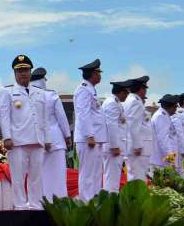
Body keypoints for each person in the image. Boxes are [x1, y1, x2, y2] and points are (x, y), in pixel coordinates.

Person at [0, 55, 49, 210]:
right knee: (18, 177)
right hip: (18, 141)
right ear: (14, 73)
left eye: (26, 70)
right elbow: (4, 116)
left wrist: (46, 138)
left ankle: (35, 204)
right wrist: (6, 137)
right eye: (19, 70)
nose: (23, 73)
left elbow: (44, 118)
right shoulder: (7, 92)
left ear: (30, 72)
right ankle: (20, 205)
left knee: (36, 176)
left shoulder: (39, 92)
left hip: (37, 139)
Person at [31, 67, 71, 200]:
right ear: (43, 80)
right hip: (56, 140)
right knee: (58, 175)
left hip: (35, 140)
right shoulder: (51, 95)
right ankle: (59, 201)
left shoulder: (27, 95)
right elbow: (62, 118)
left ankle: (41, 202)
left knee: (39, 175)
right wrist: (67, 136)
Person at [73, 58, 106, 202]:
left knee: (96, 173)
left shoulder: (91, 89)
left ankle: (95, 200)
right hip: (88, 139)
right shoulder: (83, 90)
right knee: (87, 174)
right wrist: (90, 135)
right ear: (93, 74)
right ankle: (86, 202)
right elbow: (83, 113)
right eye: (98, 73)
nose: (100, 75)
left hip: (95, 138)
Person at [101, 80, 131, 192]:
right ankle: (110, 201)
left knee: (113, 177)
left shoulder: (116, 102)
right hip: (112, 148)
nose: (127, 96)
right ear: (121, 92)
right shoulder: (112, 103)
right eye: (126, 93)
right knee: (112, 178)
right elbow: (111, 125)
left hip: (116, 147)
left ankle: (111, 199)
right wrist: (114, 146)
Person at [123, 76, 153, 181]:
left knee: (135, 177)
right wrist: (137, 145)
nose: (145, 92)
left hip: (135, 147)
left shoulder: (131, 100)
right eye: (145, 89)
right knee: (138, 178)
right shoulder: (135, 101)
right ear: (140, 89)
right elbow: (133, 124)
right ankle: (136, 198)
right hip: (138, 148)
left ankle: (135, 197)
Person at [151, 94, 180, 168]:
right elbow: (163, 139)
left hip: (164, 159)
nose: (176, 109)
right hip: (162, 160)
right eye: (175, 107)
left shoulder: (164, 116)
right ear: (171, 107)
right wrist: (170, 157)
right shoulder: (161, 116)